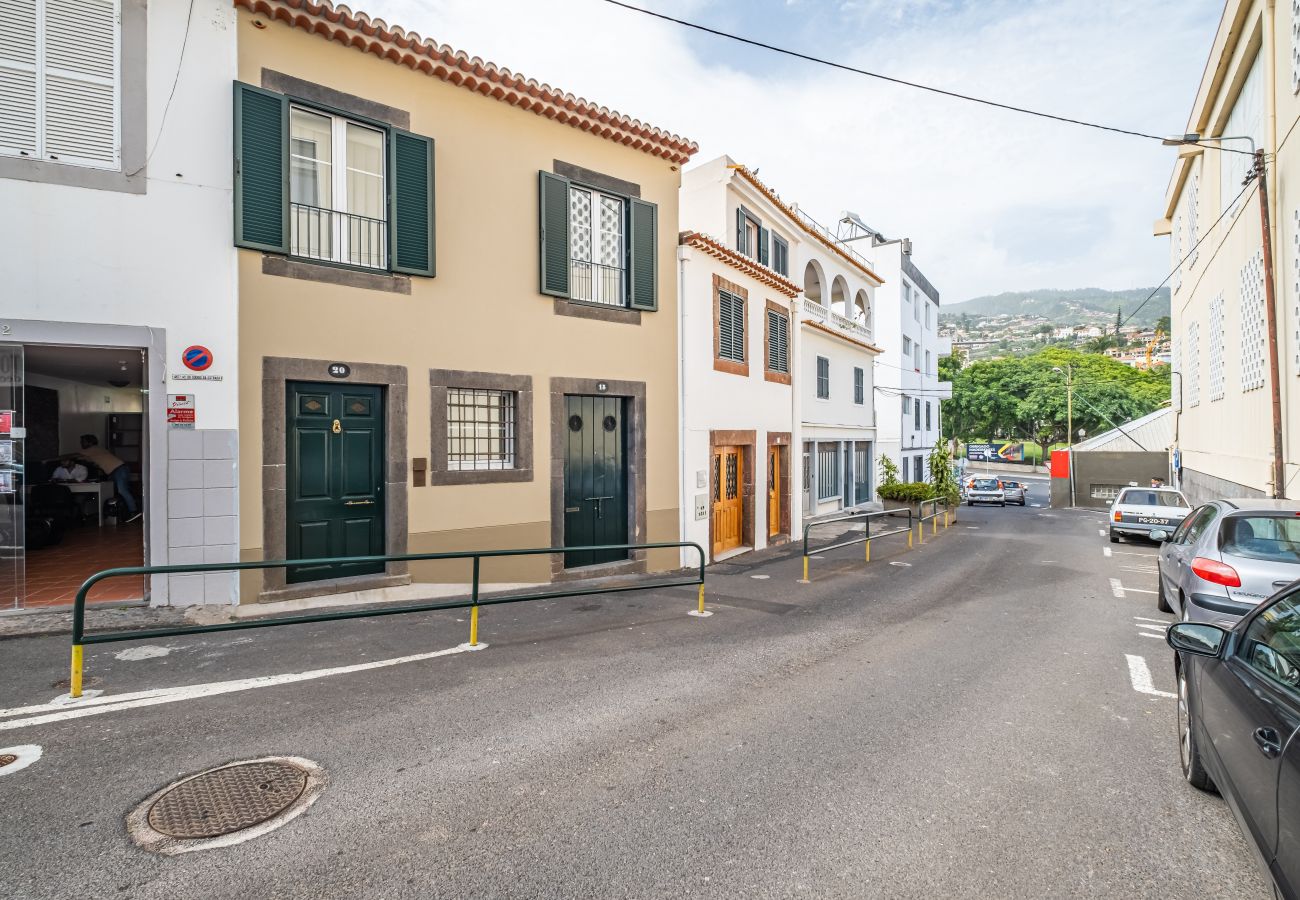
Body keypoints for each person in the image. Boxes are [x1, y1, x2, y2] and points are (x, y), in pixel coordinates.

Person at [76, 434, 140, 523]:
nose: (81, 444)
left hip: (118, 470)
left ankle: (134, 511)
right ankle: (120, 513)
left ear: (90, 442)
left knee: (122, 490)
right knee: (113, 492)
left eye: (83, 442)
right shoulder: (95, 450)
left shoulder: (91, 449)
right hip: (116, 471)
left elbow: (74, 456)